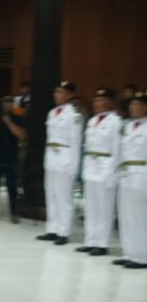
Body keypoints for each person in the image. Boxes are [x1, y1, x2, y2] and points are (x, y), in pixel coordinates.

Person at [38, 80, 85, 246]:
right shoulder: (52, 113)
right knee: (51, 195)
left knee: (64, 197)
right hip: (51, 158)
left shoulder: (74, 116)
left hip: (65, 159)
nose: (56, 95)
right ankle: (52, 228)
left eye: (60, 92)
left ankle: (63, 231)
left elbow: (76, 142)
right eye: (55, 92)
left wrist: (72, 166)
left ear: (69, 95)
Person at [77, 88, 122, 257]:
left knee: (104, 209)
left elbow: (117, 150)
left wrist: (112, 173)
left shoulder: (115, 122)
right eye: (95, 101)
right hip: (91, 166)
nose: (96, 104)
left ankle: (102, 244)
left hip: (105, 168)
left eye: (100, 101)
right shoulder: (92, 121)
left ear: (109, 103)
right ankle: (90, 240)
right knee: (91, 207)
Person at [116, 92, 147, 269]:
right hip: (126, 174)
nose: (133, 107)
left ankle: (142, 256)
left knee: (140, 217)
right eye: (132, 104)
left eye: (138, 104)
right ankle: (129, 252)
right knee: (126, 215)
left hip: (142, 174)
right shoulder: (128, 127)